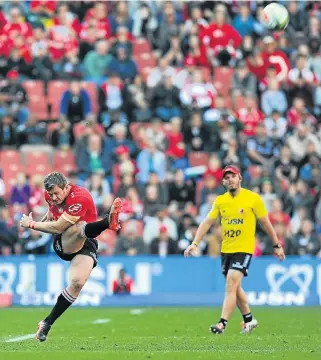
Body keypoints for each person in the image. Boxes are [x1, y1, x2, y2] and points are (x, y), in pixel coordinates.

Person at [19, 172, 122, 342]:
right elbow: (57, 224)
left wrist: (32, 224)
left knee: (77, 283)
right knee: (79, 226)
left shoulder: (79, 197)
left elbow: (58, 224)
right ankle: (106, 222)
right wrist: (37, 222)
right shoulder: (50, 195)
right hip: (64, 242)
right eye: (50, 194)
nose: (53, 197)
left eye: (56, 193)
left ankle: (46, 322)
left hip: (86, 241)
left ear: (66, 187)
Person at [184, 165, 285, 334]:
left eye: (232, 176)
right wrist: (195, 243)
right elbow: (207, 222)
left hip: (244, 249)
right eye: (226, 177)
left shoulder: (252, 198)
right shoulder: (220, 201)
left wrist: (277, 245)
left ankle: (222, 324)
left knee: (231, 283)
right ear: (223, 182)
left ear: (240, 178)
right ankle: (249, 320)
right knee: (235, 288)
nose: (229, 179)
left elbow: (266, 223)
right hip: (226, 250)